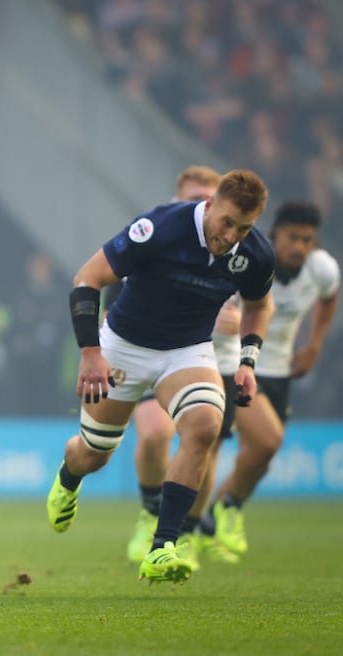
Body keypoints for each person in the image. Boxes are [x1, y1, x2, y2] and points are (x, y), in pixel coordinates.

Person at [46, 169, 274, 584]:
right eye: (226, 222)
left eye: (244, 227)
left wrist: (247, 360)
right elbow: (87, 278)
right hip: (123, 345)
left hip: (187, 350)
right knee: (94, 454)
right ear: (210, 206)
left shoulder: (256, 253)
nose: (232, 235)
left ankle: (163, 546)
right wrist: (91, 353)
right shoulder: (159, 228)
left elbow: (259, 305)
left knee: (205, 425)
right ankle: (69, 474)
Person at [118, 166, 245, 566]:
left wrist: (242, 331)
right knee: (155, 434)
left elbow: (261, 301)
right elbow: (111, 279)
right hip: (154, 350)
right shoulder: (159, 234)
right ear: (179, 200)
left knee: (204, 453)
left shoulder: (239, 246)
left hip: (215, 362)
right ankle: (150, 514)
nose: (199, 206)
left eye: (205, 199)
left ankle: (182, 537)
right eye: (191, 198)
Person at [201, 201, 339, 556]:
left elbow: (329, 297)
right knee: (267, 442)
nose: (299, 247)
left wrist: (314, 345)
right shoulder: (249, 263)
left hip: (282, 372)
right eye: (293, 238)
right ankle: (225, 511)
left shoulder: (321, 269)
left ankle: (210, 520)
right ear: (275, 235)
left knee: (261, 459)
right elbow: (216, 303)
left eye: (307, 240)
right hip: (243, 366)